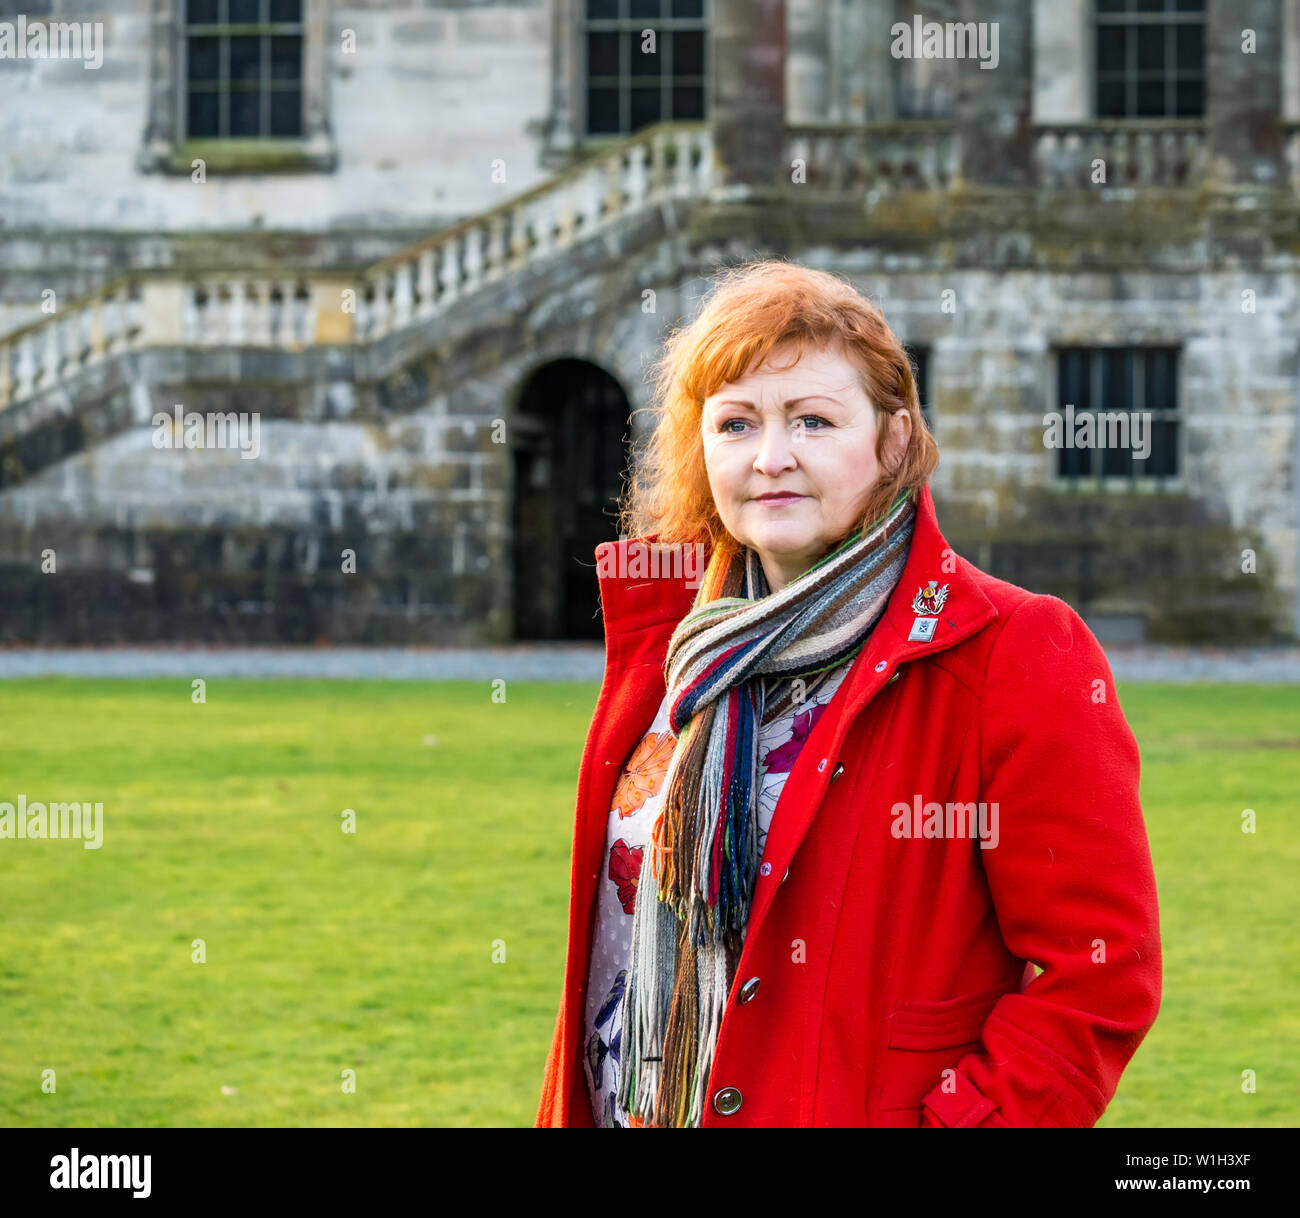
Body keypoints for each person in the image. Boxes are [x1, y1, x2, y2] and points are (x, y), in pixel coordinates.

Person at [535, 259, 1162, 1128]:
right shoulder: (684, 650)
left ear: (894, 441)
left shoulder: (1017, 652)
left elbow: (1099, 977)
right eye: (736, 423)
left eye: (814, 420)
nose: (771, 458)